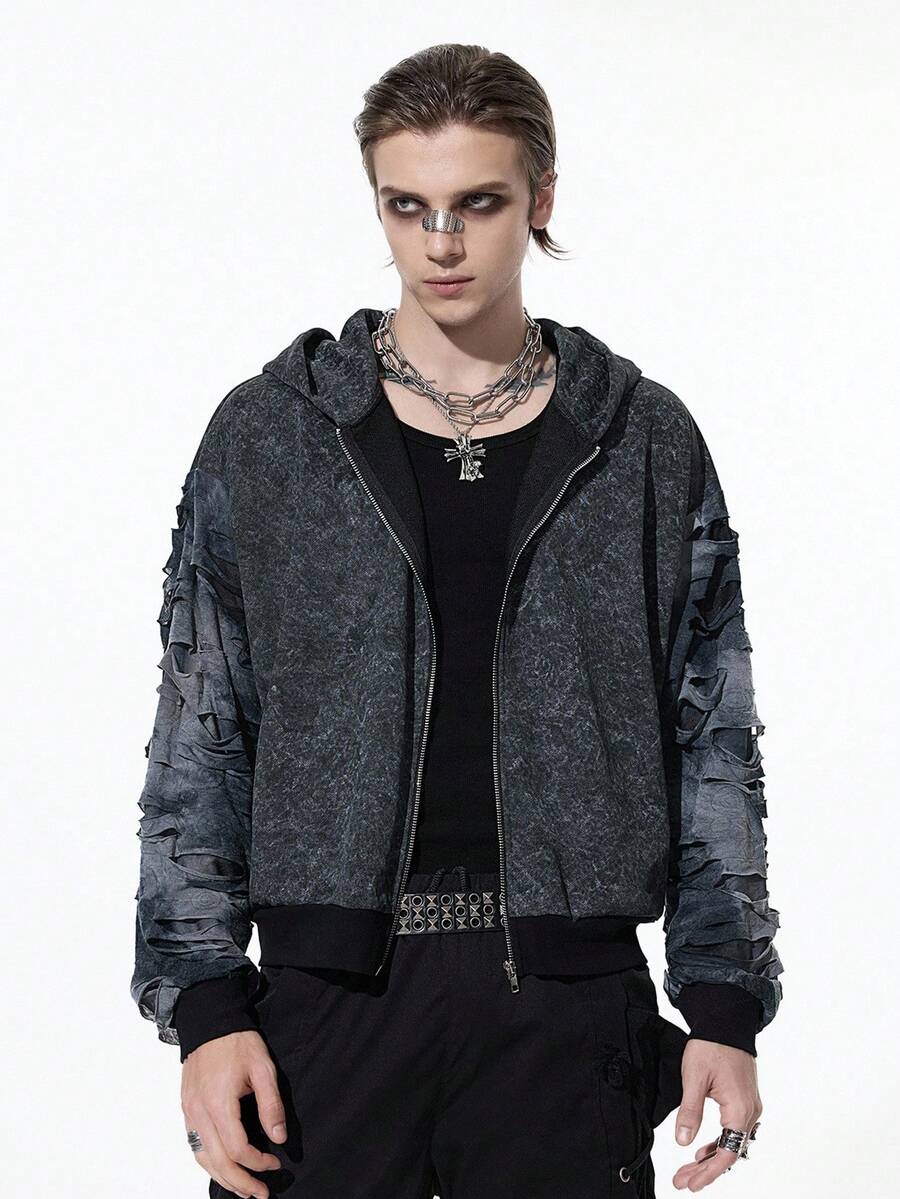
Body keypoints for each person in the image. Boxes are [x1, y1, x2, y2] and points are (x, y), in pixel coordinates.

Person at [130, 43, 783, 1199]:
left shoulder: (640, 439)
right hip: (325, 1011)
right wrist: (206, 1001)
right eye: (407, 206)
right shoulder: (274, 434)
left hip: (566, 1010)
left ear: (540, 199)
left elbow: (713, 736)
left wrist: (724, 1000)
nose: (441, 241)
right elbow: (202, 726)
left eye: (477, 203)